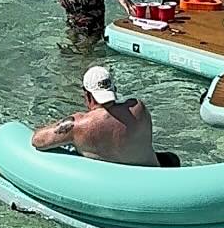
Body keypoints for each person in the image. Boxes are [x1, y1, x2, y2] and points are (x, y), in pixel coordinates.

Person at [30, 64, 166, 166]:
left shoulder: (78, 125)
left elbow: (38, 140)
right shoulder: (138, 108)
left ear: (87, 95)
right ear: (115, 89)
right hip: (152, 176)